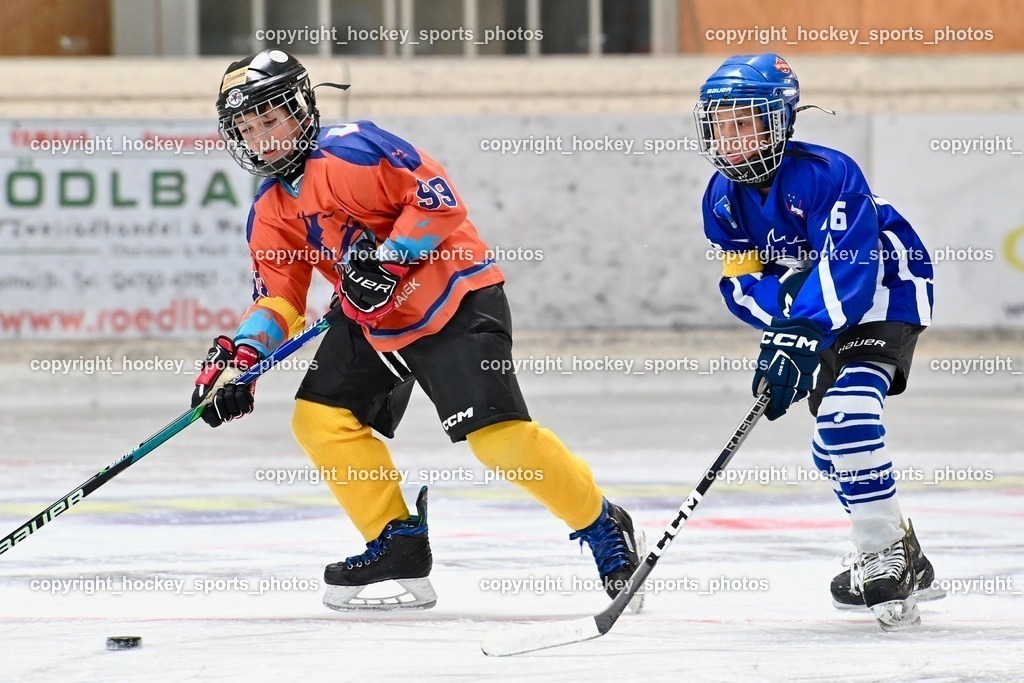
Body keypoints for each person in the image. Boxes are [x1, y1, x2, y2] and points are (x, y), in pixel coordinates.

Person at [190, 48, 645, 612]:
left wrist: (387, 262)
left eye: (272, 118)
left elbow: (438, 202)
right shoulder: (269, 210)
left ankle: (604, 525)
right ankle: (396, 542)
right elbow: (282, 300)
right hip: (377, 321)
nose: (262, 137)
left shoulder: (355, 150)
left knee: (500, 444)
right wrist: (241, 361)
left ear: (302, 108)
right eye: (248, 127)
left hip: (453, 300)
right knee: (319, 418)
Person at [693, 53, 944, 631]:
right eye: (719, 124)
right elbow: (741, 281)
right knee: (829, 450)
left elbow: (850, 266)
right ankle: (907, 553)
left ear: (779, 121)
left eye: (745, 122)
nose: (730, 138)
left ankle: (880, 550)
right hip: (816, 314)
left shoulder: (829, 172)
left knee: (847, 416)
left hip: (883, 295)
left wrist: (799, 330)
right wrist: (781, 334)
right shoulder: (720, 199)